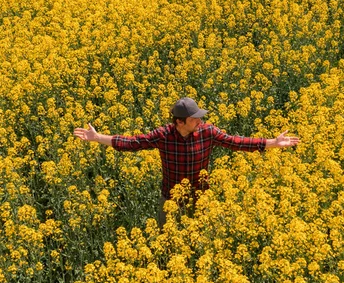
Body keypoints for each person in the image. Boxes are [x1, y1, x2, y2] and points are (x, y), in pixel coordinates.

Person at [74, 97, 300, 227]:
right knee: (168, 243)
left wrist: (272, 142)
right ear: (180, 122)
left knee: (201, 239)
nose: (200, 121)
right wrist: (97, 138)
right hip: (170, 198)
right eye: (195, 118)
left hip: (201, 197)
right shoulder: (163, 135)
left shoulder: (207, 131)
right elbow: (131, 143)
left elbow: (236, 142)